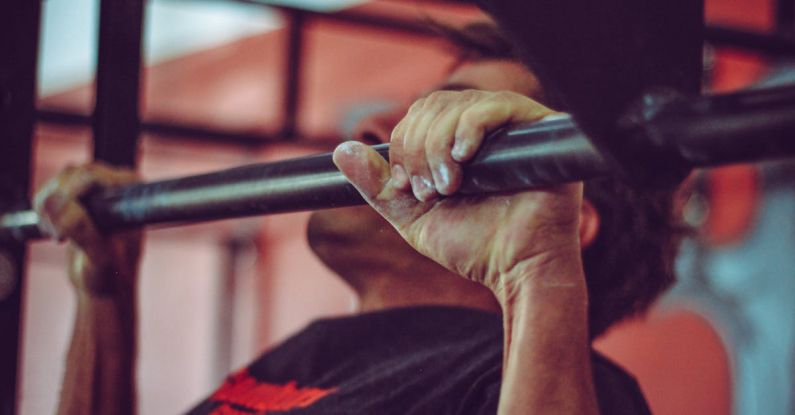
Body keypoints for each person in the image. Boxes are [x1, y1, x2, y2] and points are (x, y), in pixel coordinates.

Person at [35, 22, 684, 415]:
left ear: (569, 219)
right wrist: (108, 298)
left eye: (445, 121)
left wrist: (538, 273)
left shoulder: (564, 385)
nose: (374, 128)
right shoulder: (311, 353)